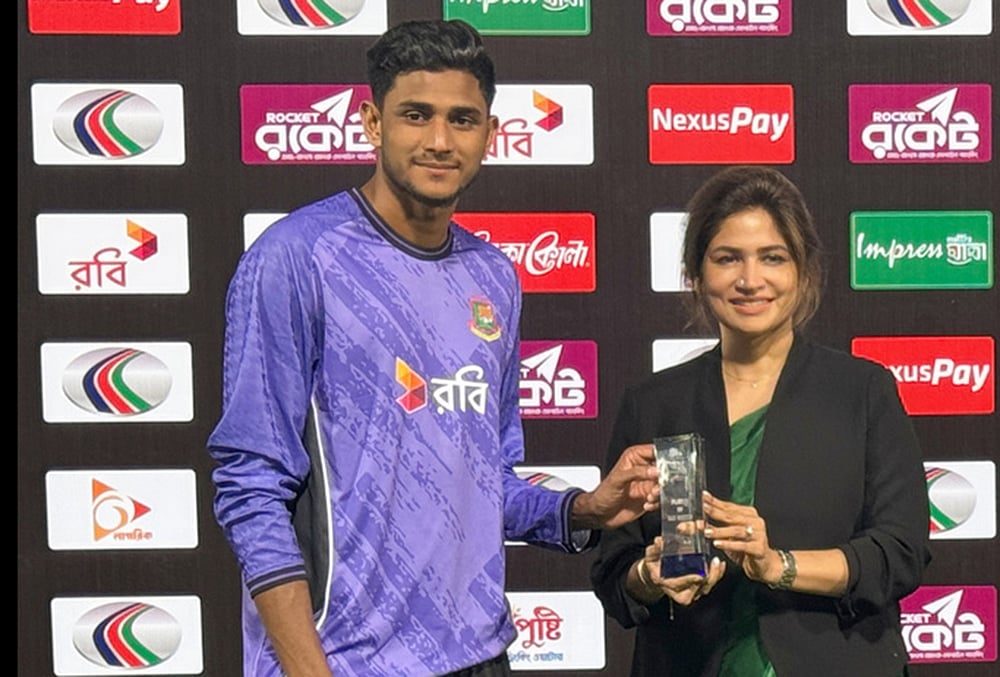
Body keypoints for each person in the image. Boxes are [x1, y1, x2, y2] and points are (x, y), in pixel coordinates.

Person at [206, 19, 658, 677]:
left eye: (462, 119)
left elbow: (484, 478)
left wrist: (581, 509)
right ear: (371, 122)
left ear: (491, 135)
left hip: (480, 655)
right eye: (416, 115)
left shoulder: (493, 276)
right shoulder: (296, 259)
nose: (440, 141)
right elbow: (249, 487)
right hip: (344, 662)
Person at [590, 166, 930, 677]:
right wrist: (649, 575)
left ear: (804, 271)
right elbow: (613, 572)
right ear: (697, 273)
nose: (750, 281)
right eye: (728, 259)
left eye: (773, 257)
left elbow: (901, 553)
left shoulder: (862, 391)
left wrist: (778, 565)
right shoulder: (653, 403)